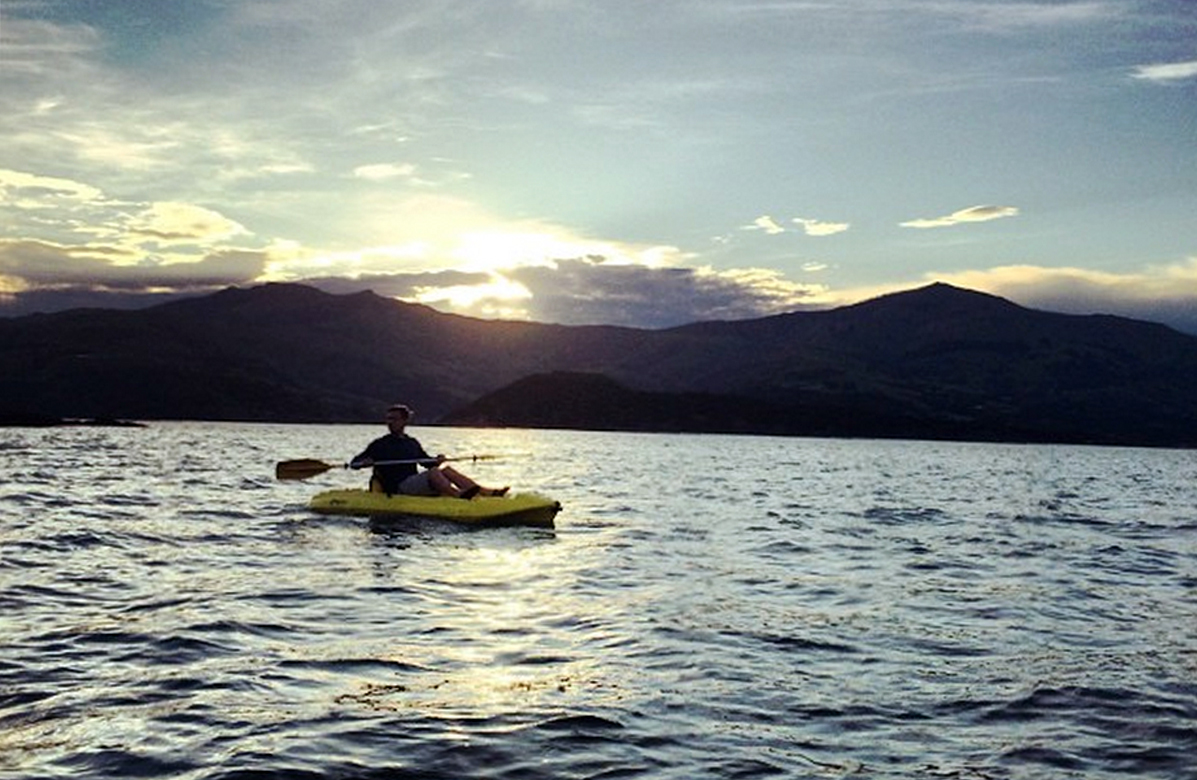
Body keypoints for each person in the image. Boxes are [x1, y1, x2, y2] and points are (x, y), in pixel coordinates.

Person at [349, 404, 507, 499]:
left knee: (447, 470)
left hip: (413, 483)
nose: (390, 423)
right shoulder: (379, 444)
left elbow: (426, 462)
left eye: (394, 419)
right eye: (388, 419)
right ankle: (458, 495)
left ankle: (486, 492)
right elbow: (354, 463)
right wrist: (363, 463)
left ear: (404, 421)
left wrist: (437, 459)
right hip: (397, 488)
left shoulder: (411, 443)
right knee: (433, 472)